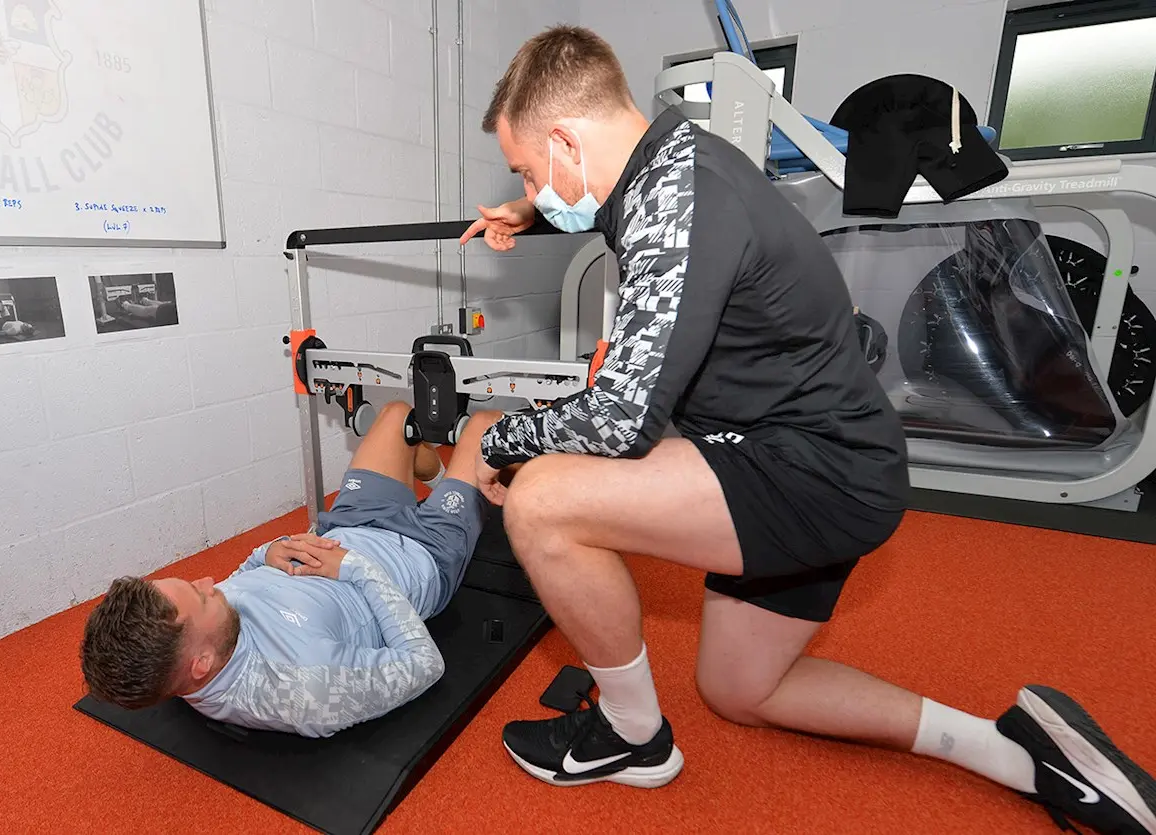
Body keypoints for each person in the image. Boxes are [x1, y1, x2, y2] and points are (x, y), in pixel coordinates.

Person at [457, 25, 1155, 835]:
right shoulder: (676, 165)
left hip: (809, 470)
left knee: (542, 497)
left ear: (565, 142)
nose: (530, 186)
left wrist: (497, 441)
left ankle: (631, 733)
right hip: (833, 461)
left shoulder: (680, 200)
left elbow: (621, 417)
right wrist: (536, 208)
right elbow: (624, 210)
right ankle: (1013, 751)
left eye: (526, 169)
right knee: (741, 688)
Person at [79, 402, 501, 738]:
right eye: (201, 596)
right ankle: (473, 495)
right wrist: (355, 567)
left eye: (193, 583)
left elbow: (242, 577)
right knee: (489, 428)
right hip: (418, 556)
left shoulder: (194, 641)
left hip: (349, 524)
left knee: (398, 417)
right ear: (201, 663)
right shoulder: (304, 689)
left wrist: (267, 552)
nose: (209, 581)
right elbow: (424, 665)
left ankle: (445, 480)